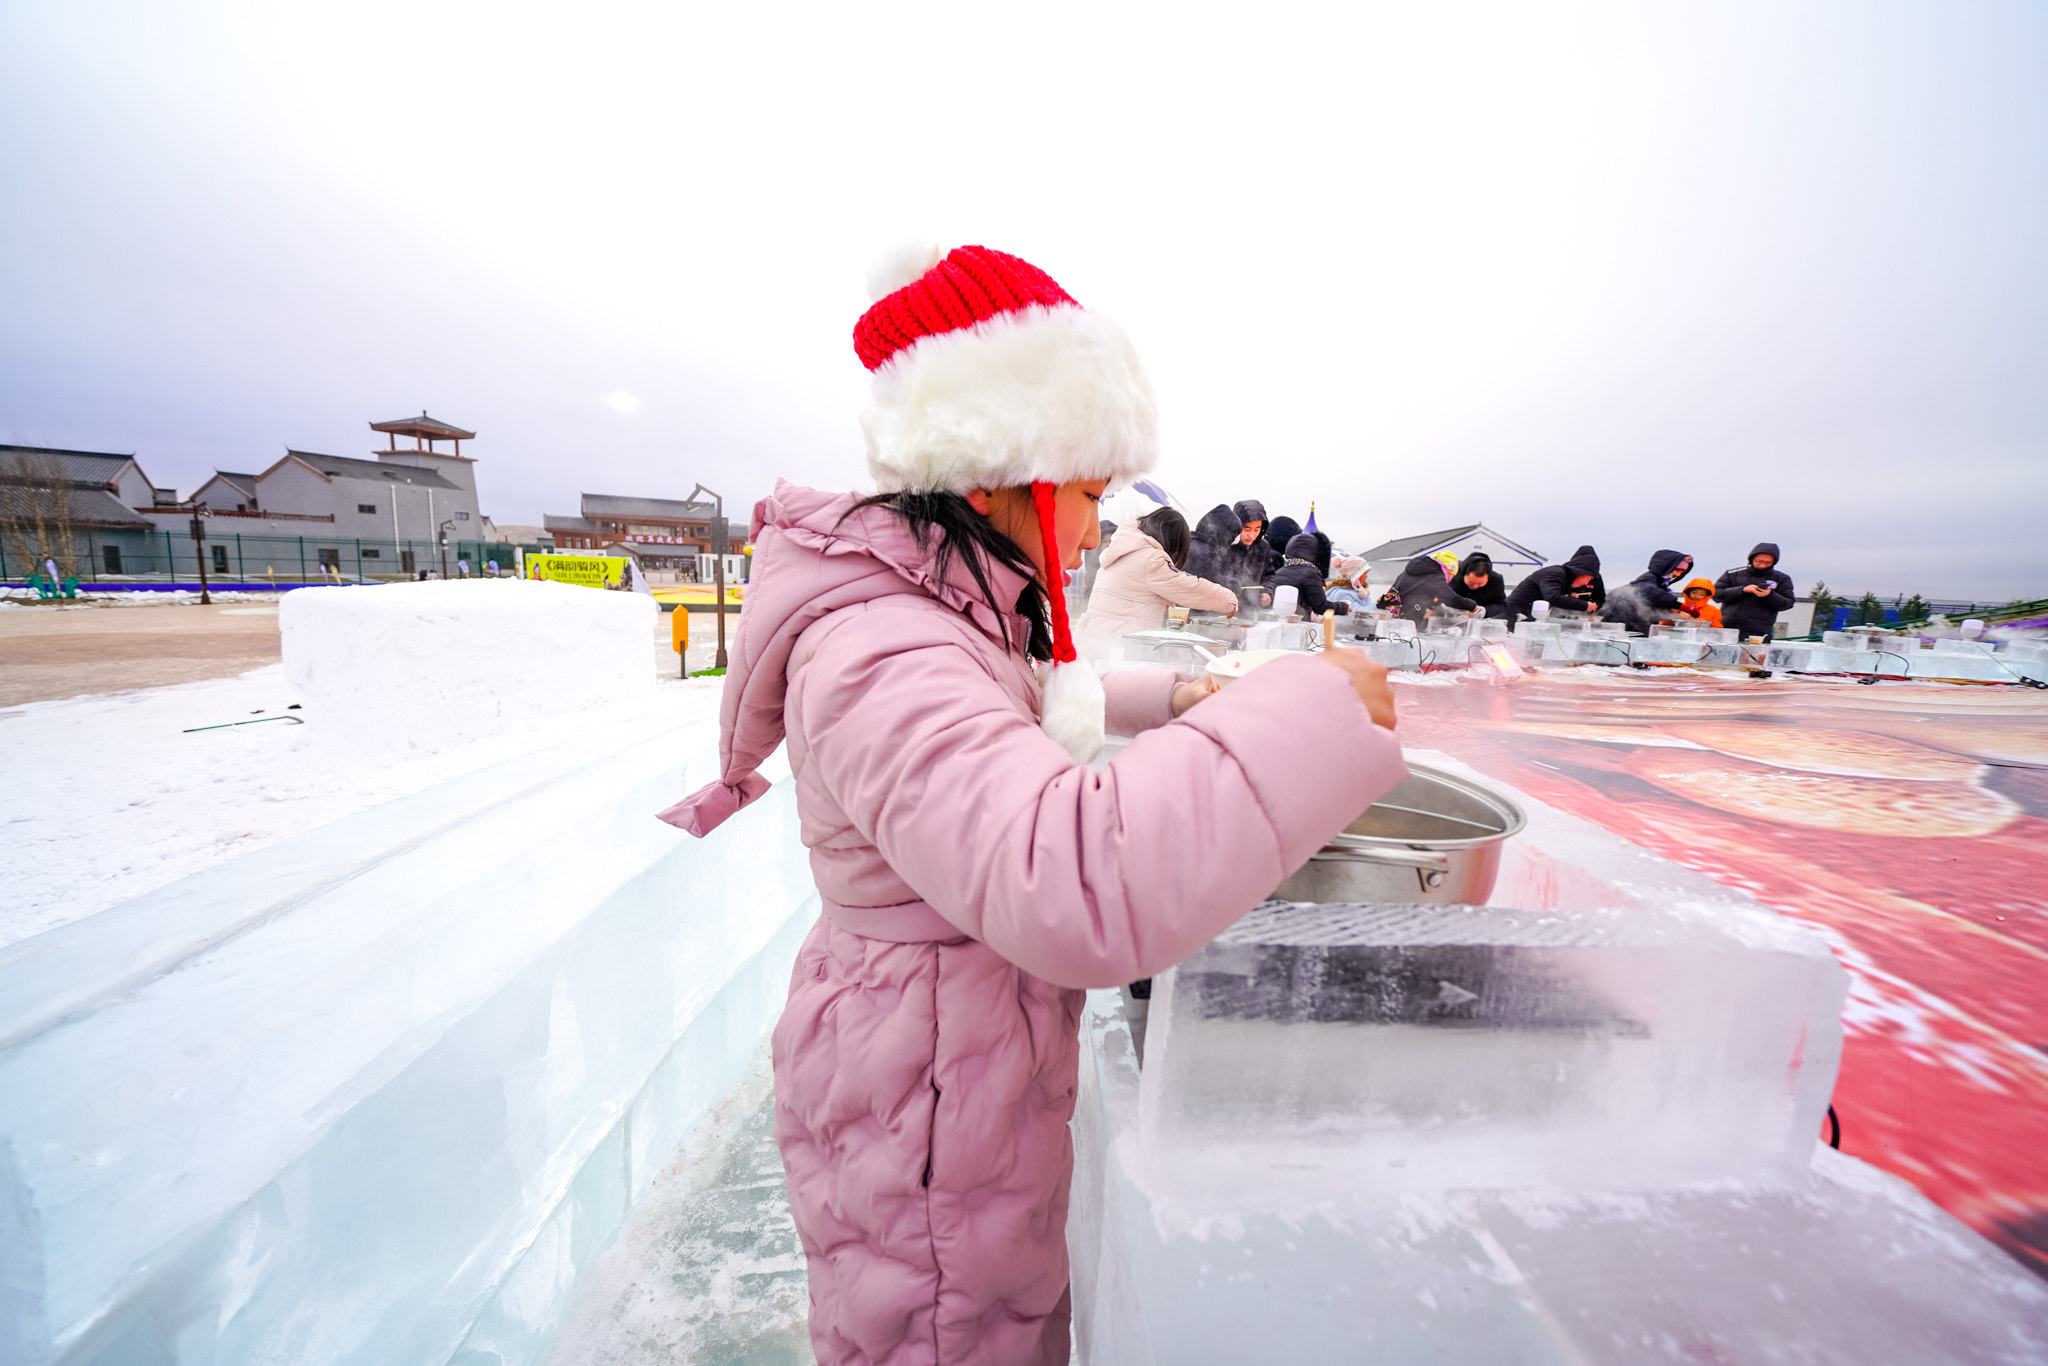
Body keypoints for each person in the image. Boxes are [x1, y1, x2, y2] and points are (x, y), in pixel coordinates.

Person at [657, 245, 1406, 1366]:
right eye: (1090, 495)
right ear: (994, 468)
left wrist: (1183, 696)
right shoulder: (879, 643)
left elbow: (1016, 701)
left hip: (948, 1067)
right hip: (921, 1104)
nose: (1094, 531)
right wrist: (1314, 712)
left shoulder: (933, 608)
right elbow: (1067, 878)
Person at [1074, 507, 1239, 660]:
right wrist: (1228, 600)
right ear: (1172, 539)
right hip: (1119, 645)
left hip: (1094, 639)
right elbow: (1190, 588)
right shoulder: (1150, 559)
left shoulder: (1121, 550)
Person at [1715, 542, 1795, 641]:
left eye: (1768, 563)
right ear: (1751, 559)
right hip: (1728, 628)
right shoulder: (1732, 574)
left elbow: (1787, 604)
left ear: (1774, 562)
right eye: (1759, 561)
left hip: (1760, 632)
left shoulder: (1782, 579)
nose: (1762, 565)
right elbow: (1716, 595)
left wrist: (1769, 595)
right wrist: (1742, 590)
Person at [1606, 549, 1694, 636]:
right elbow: (1652, 593)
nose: (1678, 575)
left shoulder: (1660, 585)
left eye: (1682, 572)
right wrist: (1680, 606)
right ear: (1666, 567)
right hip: (1628, 626)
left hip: (1639, 626)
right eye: (1677, 570)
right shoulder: (1647, 580)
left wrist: (1675, 614)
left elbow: (1655, 609)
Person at [1506, 545, 1603, 623]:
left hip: (1527, 616)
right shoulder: (1556, 574)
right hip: (1512, 615)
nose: (1586, 583)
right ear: (1579, 572)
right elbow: (1552, 597)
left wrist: (1570, 597)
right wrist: (1585, 605)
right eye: (1588, 579)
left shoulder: (1565, 578)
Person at [1263, 532, 1352, 616]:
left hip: (1275, 621)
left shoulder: (1278, 572)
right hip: (1297, 622)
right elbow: (1321, 606)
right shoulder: (1311, 573)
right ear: (1316, 553)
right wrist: (1344, 607)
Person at [1391, 553, 1478, 624]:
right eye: (1451, 574)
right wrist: (1472, 606)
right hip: (1405, 619)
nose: (1451, 579)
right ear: (1448, 570)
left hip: (1392, 611)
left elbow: (1419, 591)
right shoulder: (1435, 575)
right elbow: (1450, 598)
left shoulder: (1420, 570)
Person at [1183, 503, 1242, 587]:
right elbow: (1220, 589)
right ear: (1225, 533)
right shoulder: (1210, 556)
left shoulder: (1186, 543)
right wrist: (1235, 584)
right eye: (1233, 536)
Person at [1222, 499, 1271, 585]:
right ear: (1237, 524)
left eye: (1256, 530)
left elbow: (1269, 575)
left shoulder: (1263, 546)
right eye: (1247, 529)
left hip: (1254, 593)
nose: (1251, 535)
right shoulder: (1224, 545)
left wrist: (1267, 590)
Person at [1454, 552, 1510, 619]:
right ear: (1464, 574)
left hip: (1481, 620)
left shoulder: (1496, 580)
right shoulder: (1453, 574)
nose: (1475, 586)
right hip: (1451, 617)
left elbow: (1501, 605)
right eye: (1471, 582)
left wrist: (1485, 611)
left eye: (1480, 583)